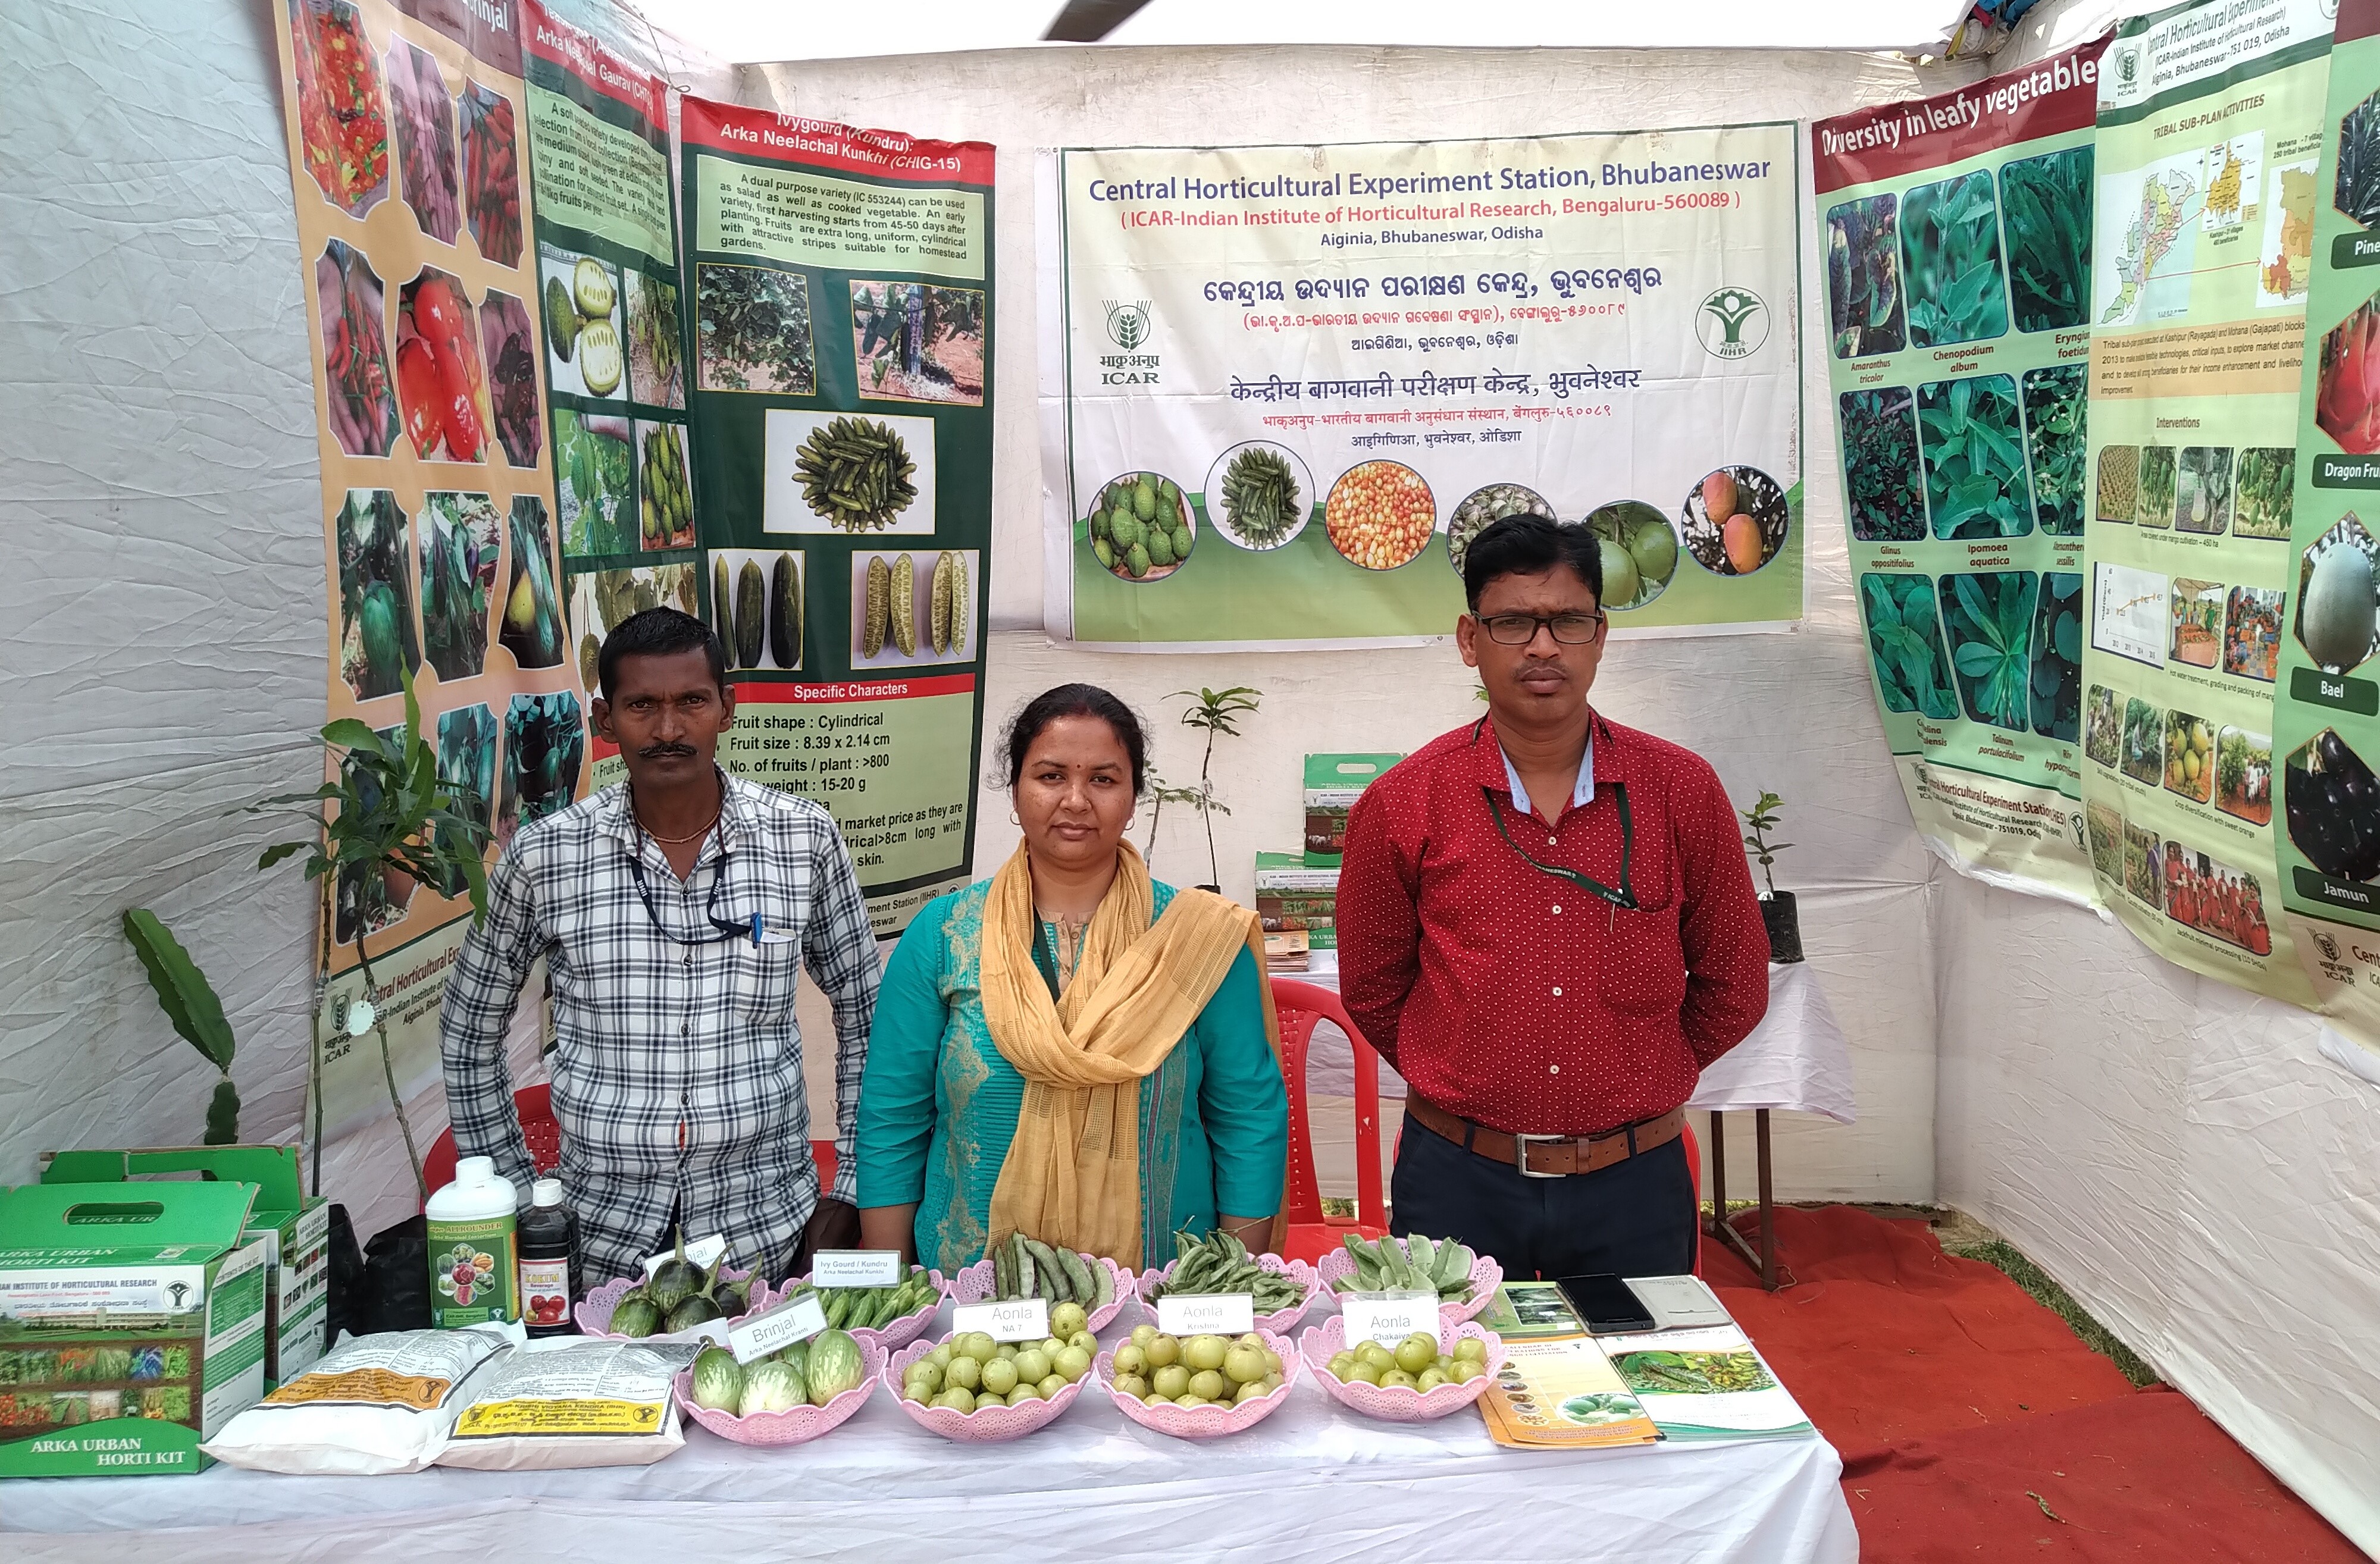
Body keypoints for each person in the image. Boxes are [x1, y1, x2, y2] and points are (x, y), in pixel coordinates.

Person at [1336, 514, 1770, 1280]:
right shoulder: (1403, 801)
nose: (1542, 646)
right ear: (1471, 640)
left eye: (1567, 621)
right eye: (1513, 623)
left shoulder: (1679, 790)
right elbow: (1373, 989)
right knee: (1446, 1386)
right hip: (1457, 1180)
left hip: (1634, 1181)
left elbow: (1734, 980)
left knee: (1637, 1386)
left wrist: (1640, 1074)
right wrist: (1462, 1074)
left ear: (1600, 635)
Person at [441, 607, 879, 1284]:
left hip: (766, 1233)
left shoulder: (802, 839)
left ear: (726, 709)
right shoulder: (545, 856)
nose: (669, 729)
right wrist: (519, 1197)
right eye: (642, 704)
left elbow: (867, 1014)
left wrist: (850, 1185)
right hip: (599, 1245)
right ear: (605, 719)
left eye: (691, 702)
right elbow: (468, 1028)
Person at [855, 684, 1288, 1274]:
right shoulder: (942, 934)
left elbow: (1246, 1114)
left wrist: (1235, 1279)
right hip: (971, 1295)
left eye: (1104, 780)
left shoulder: (1199, 941)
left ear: (1134, 796)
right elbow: (893, 1113)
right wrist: (886, 1285)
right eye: (1051, 775)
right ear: (1015, 789)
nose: (1076, 799)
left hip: (1163, 1291)